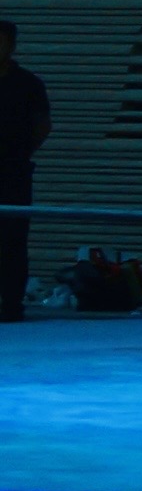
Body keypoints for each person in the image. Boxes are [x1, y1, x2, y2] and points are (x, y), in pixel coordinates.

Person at [0, 19, 43, 322]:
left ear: (12, 46)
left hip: (13, 171)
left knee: (13, 239)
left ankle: (12, 304)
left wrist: (19, 153)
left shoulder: (28, 84)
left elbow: (43, 125)